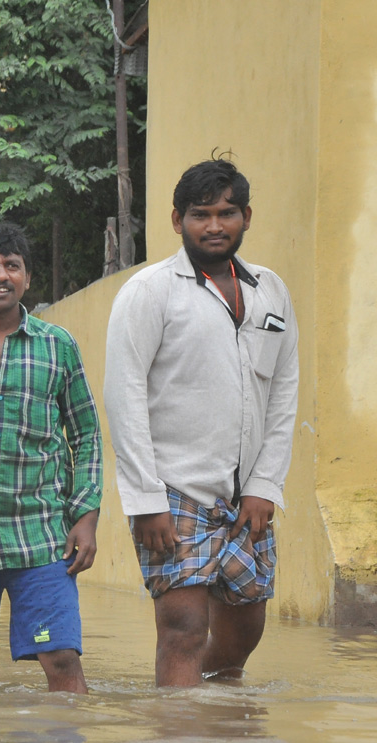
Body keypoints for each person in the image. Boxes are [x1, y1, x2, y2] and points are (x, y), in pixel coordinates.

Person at [103, 159, 299, 687]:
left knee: (243, 634)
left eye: (226, 213)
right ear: (176, 220)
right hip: (173, 491)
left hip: (246, 499)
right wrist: (146, 500)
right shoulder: (149, 292)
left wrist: (265, 486)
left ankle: (222, 740)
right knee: (183, 630)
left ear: (247, 216)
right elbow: (123, 398)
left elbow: (283, 394)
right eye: (200, 214)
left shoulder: (271, 291)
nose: (215, 225)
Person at [0, 223, 102, 695]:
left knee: (62, 662)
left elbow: (87, 433)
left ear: (27, 279)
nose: (0, 276)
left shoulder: (58, 345)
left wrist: (86, 516)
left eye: (11, 266)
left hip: (41, 534)